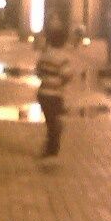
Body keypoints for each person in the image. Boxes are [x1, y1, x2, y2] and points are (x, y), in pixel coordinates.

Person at [36, 22, 73, 158]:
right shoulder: (63, 58)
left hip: (43, 93)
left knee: (50, 122)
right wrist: (60, 82)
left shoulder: (44, 55)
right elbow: (67, 75)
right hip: (56, 94)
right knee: (55, 122)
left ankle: (51, 147)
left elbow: (38, 72)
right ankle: (52, 149)